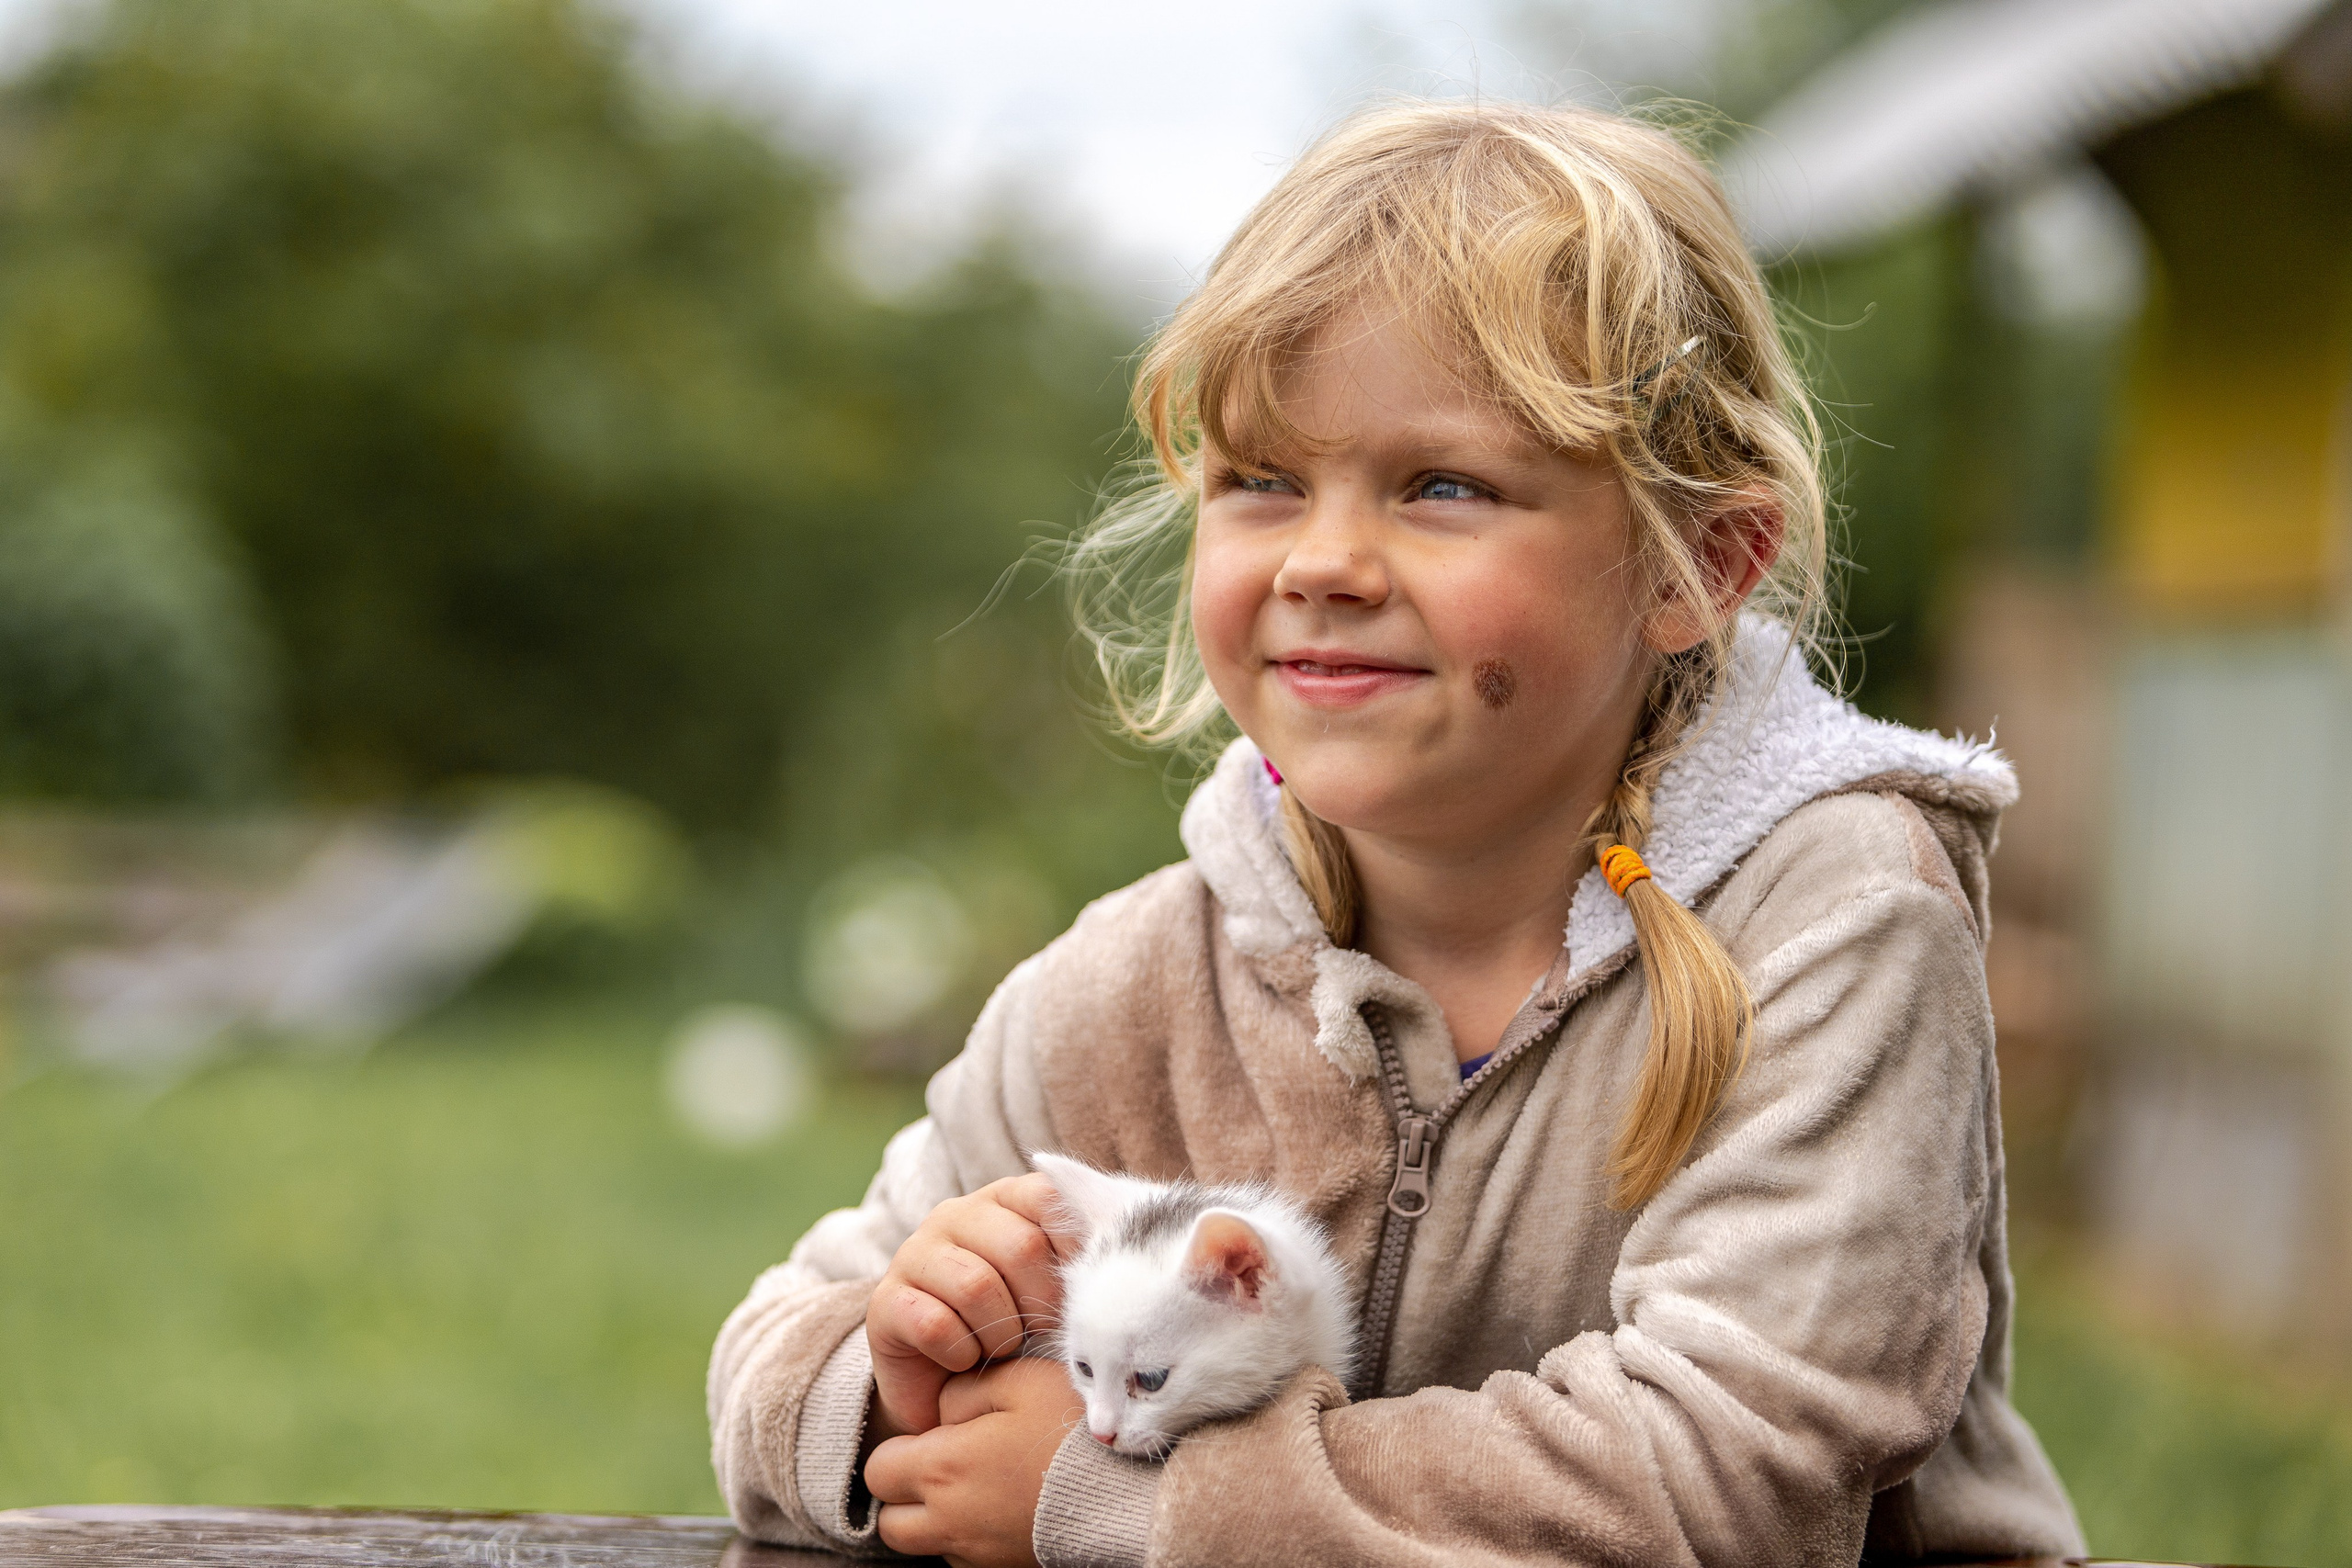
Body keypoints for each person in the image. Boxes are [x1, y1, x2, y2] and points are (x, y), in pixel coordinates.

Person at [707, 99, 2085, 1568]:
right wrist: (895, 1381)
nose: (1323, 562)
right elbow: (769, 1362)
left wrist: (1145, 1506)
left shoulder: (1828, 919)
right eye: (1261, 482)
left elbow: (1730, 1478)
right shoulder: (1143, 982)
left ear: (1699, 563)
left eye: (1443, 487)